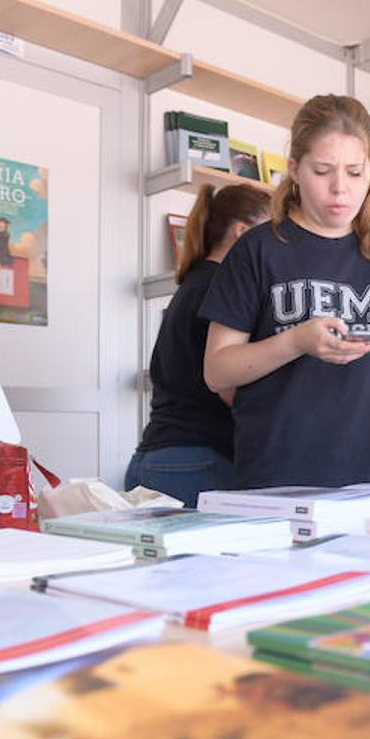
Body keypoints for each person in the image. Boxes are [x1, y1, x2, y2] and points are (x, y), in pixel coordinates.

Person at [200, 94, 370, 489]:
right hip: (280, 482)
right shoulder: (258, 250)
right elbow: (216, 371)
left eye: (355, 172)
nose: (340, 189)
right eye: (323, 171)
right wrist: (295, 342)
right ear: (294, 169)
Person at [125, 183, 270, 506]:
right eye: (269, 235)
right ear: (241, 232)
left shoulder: (193, 284)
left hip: (156, 459)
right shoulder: (224, 289)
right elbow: (227, 386)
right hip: (200, 461)